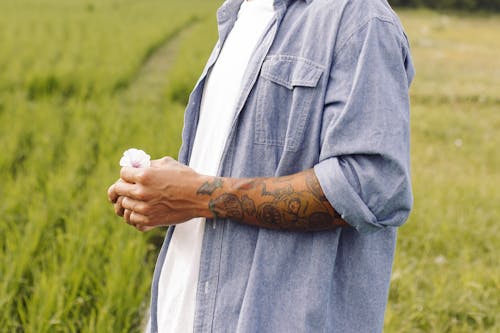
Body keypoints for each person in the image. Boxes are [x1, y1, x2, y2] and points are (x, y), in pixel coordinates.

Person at [107, 0, 415, 331]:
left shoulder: (360, 18)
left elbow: (370, 189)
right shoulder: (239, 13)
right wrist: (163, 190)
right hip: (183, 312)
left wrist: (196, 194)